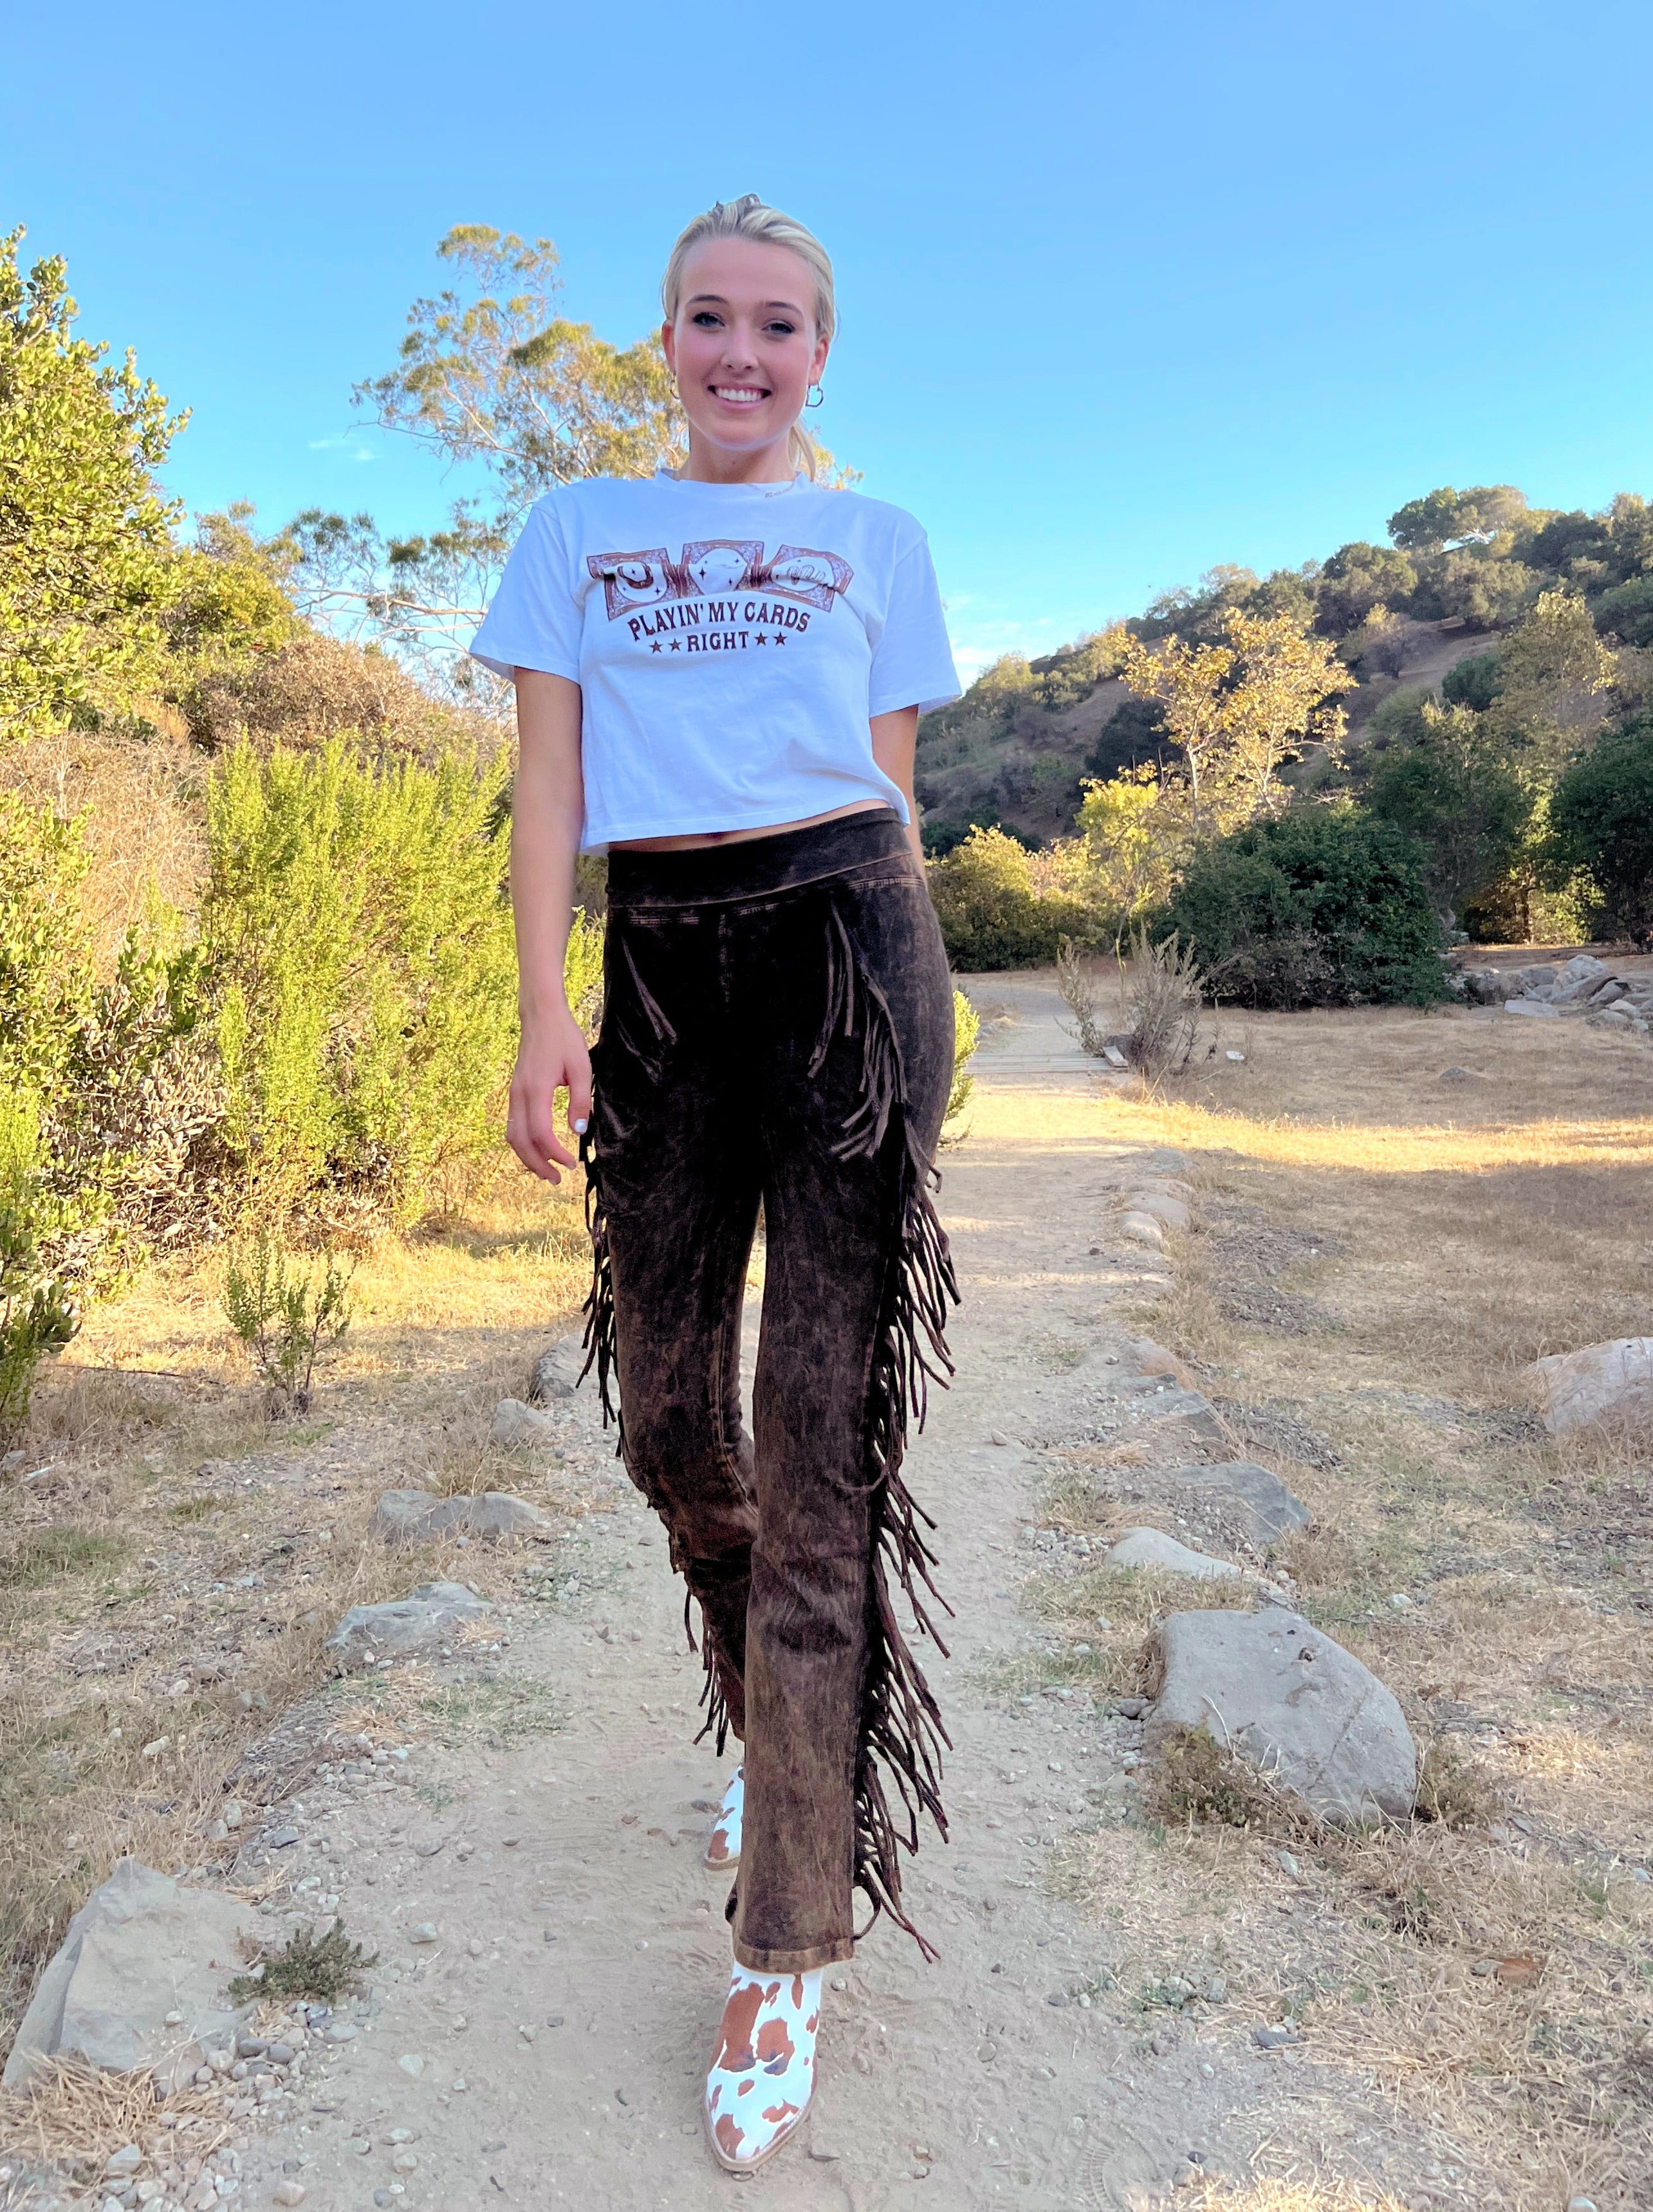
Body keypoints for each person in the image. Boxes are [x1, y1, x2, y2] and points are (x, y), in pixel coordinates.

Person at [470, 192, 963, 2175]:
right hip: (662, 970)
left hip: (848, 936)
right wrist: (541, 1015)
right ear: (659, 342)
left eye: (775, 325)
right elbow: (556, 796)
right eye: (705, 320)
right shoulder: (574, 527)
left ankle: (787, 1937)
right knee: (676, 1419)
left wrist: (915, 1030)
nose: (738, 352)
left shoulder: (877, 539)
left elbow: (893, 784)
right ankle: (782, 1746)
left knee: (819, 1453)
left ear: (817, 356)